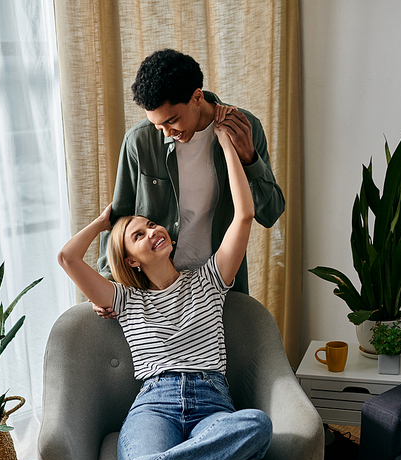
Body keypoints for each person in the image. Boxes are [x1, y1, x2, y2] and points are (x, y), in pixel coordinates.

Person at [58, 108, 273, 460]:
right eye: (137, 234)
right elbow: (68, 259)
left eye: (152, 225)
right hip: (152, 406)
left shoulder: (210, 279)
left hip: (212, 404)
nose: (151, 230)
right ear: (127, 258)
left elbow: (247, 213)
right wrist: (110, 215)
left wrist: (230, 147)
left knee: (255, 425)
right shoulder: (123, 303)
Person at [95, 48, 284, 317]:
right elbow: (119, 220)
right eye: (158, 125)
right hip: (154, 292)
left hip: (219, 287)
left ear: (197, 96)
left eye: (172, 121)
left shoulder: (244, 126)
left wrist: (249, 158)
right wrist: (106, 286)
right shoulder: (139, 140)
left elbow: (270, 213)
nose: (167, 133)